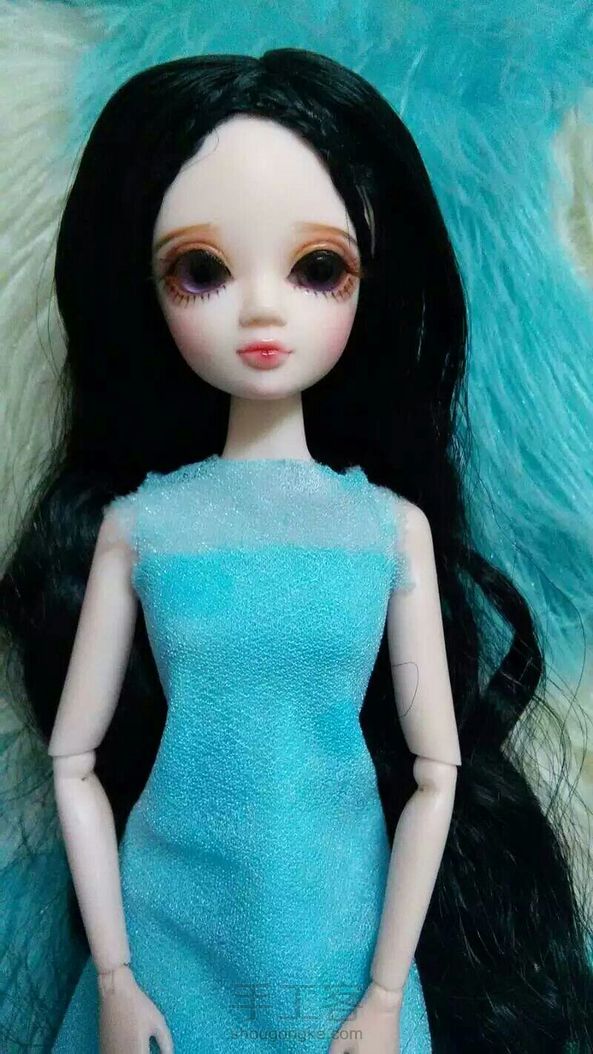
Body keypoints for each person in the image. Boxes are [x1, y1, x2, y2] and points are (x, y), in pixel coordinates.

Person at [0, 49, 591, 1052]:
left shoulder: (387, 529)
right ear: (145, 287)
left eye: (317, 269)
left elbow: (436, 772)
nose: (263, 310)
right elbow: (73, 761)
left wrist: (381, 992)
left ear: (370, 280)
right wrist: (116, 975)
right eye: (202, 271)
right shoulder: (142, 527)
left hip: (337, 934)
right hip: (169, 927)